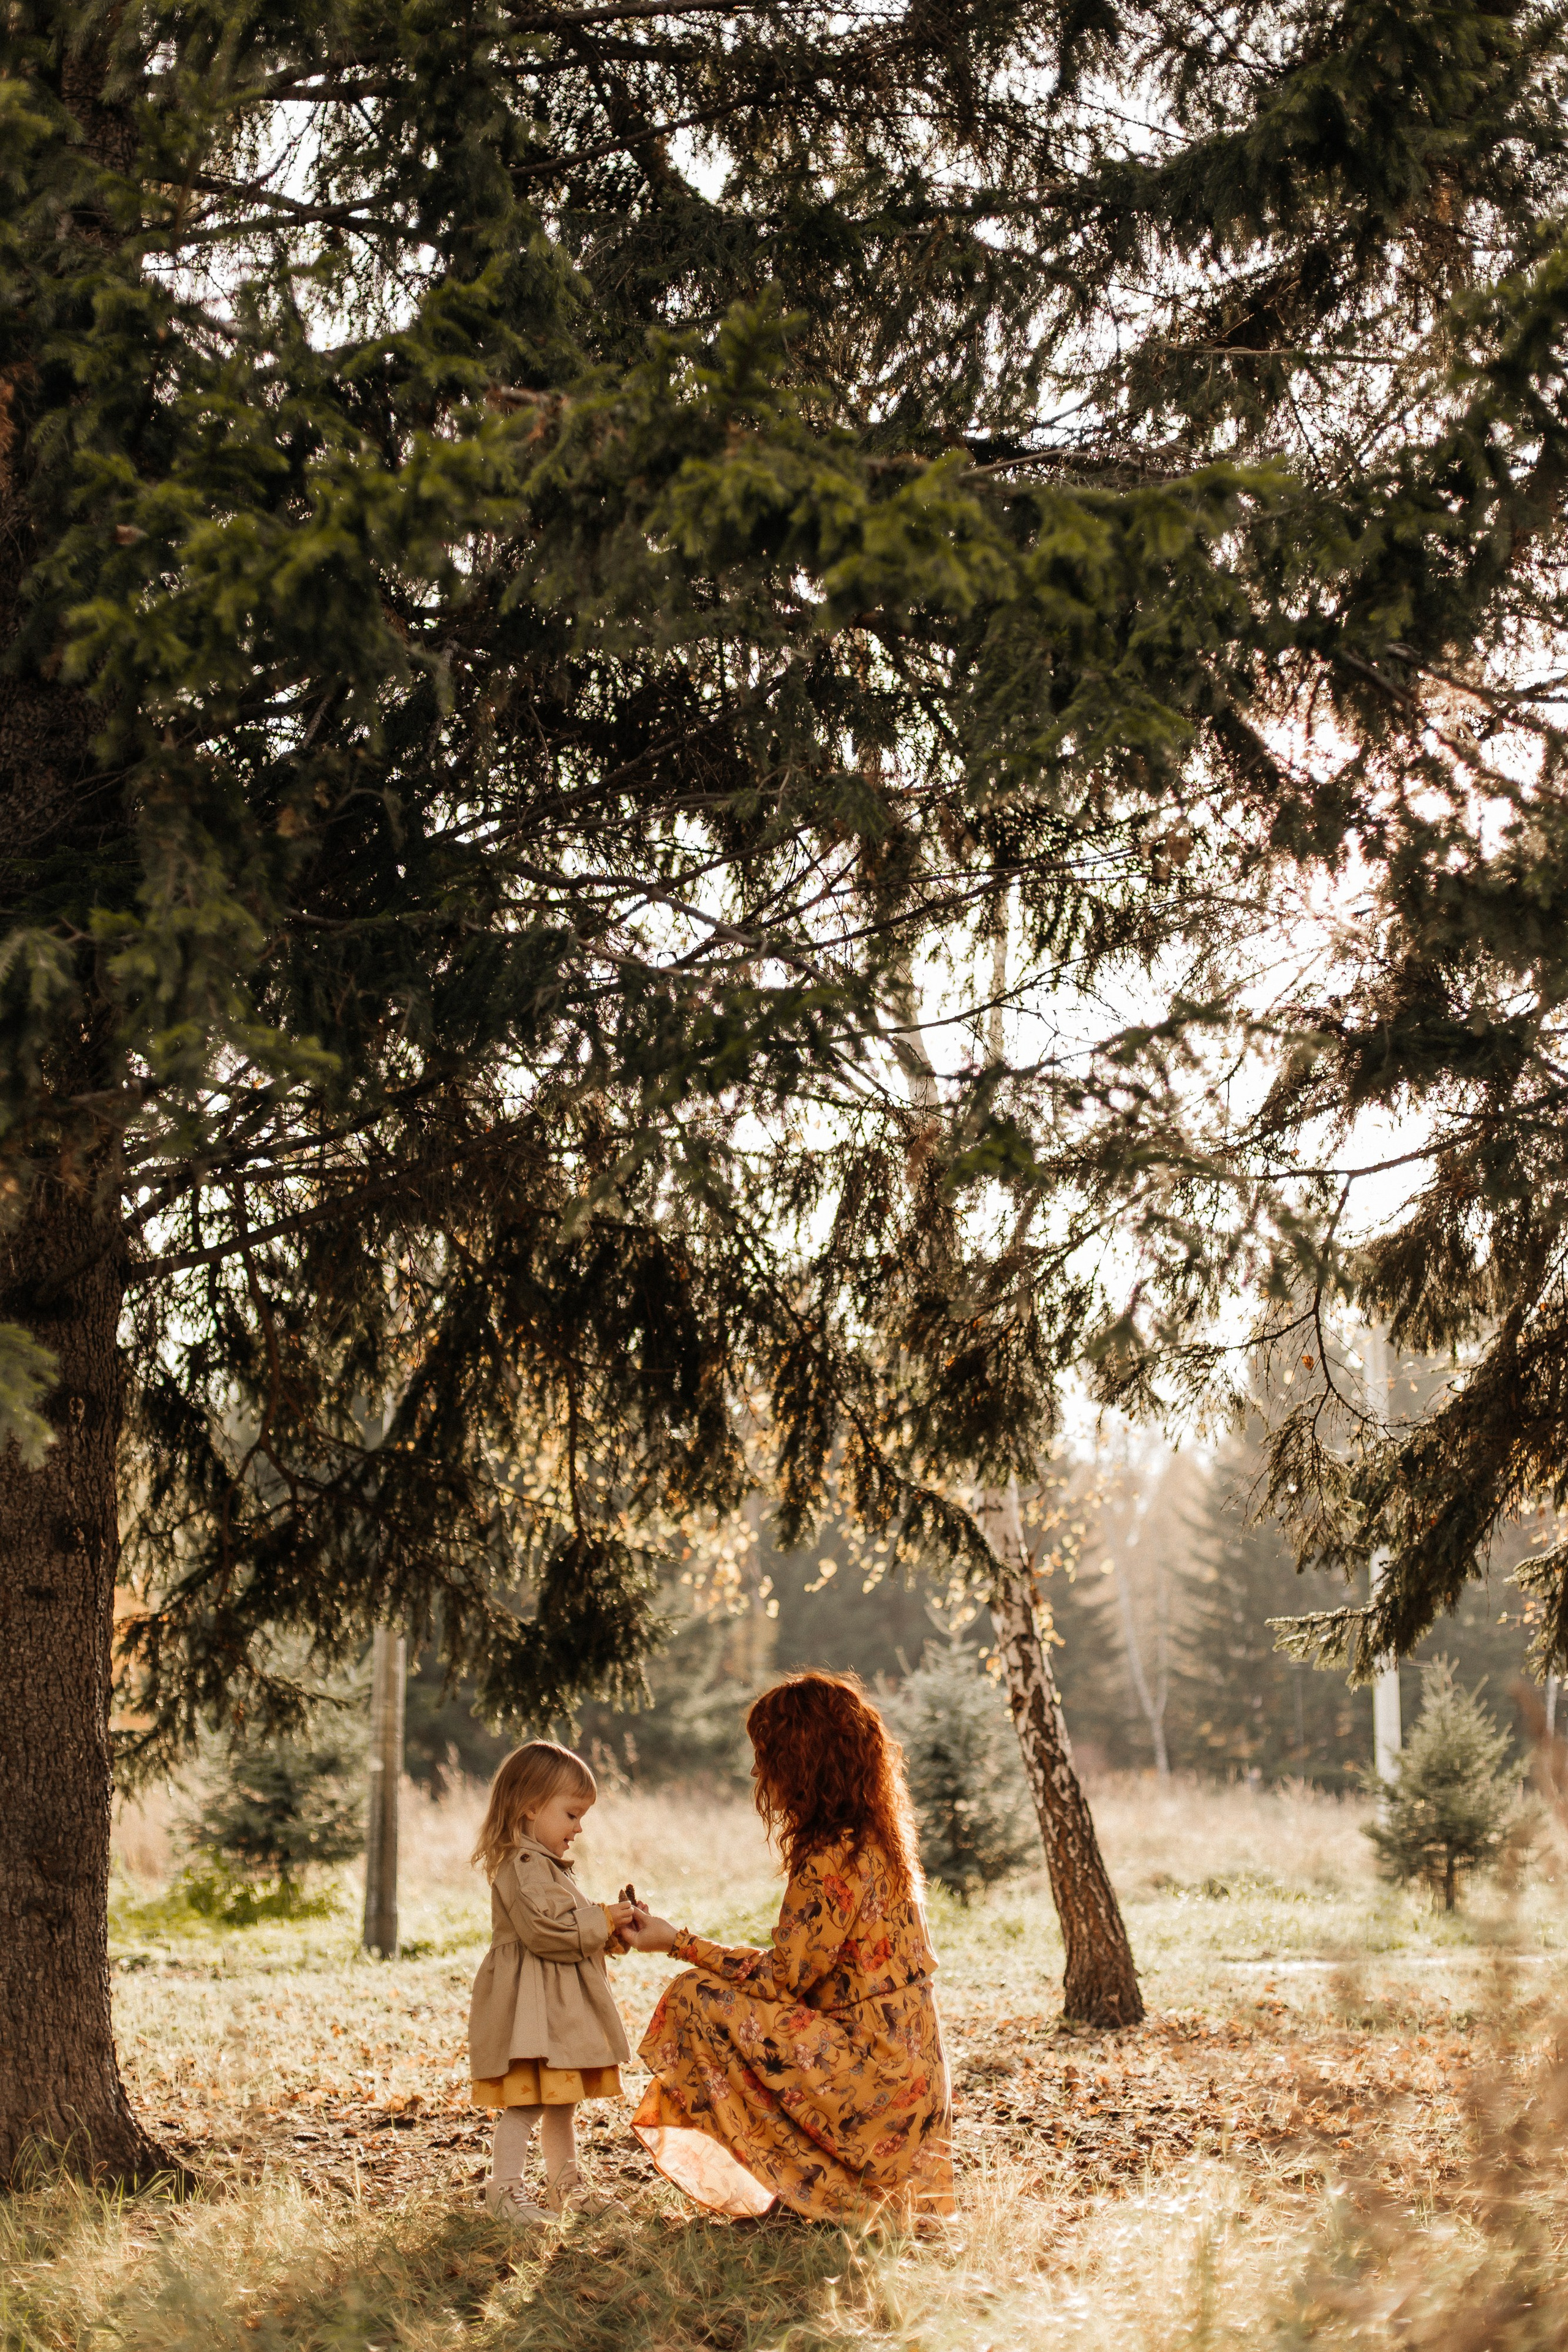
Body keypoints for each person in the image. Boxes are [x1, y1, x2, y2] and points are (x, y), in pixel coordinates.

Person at [623, 1670, 954, 2225]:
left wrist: (677, 1943)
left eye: (766, 1754)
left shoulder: (833, 1858)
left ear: (803, 1761)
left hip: (874, 2083)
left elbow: (781, 1981)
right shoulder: (878, 1839)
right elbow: (800, 1977)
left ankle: (791, 2190)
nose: (757, 1771)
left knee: (694, 2001)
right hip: (910, 2075)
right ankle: (794, 2191)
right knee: (737, 2013)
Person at [467, 1740, 638, 2225]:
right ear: (530, 1809)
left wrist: (613, 1928)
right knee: (529, 2102)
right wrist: (601, 1920)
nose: (579, 1828)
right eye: (571, 1814)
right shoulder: (521, 1866)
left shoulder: (545, 1866)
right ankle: (505, 2190)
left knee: (562, 2101)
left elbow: (571, 1930)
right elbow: (546, 1933)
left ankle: (567, 2190)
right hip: (532, 2010)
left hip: (553, 2006)